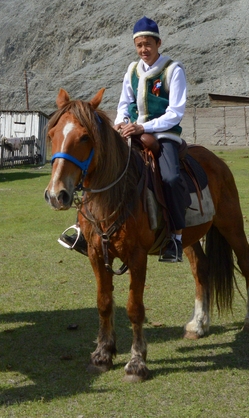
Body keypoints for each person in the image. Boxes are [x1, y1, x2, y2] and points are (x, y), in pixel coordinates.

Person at [59, 16, 188, 262]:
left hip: (164, 134)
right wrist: (122, 123)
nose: (143, 50)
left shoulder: (173, 70)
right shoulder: (132, 70)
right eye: (139, 45)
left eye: (148, 44)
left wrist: (143, 127)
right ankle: (82, 229)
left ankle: (175, 237)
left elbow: (175, 112)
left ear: (158, 43)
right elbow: (124, 103)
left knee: (170, 178)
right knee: (97, 166)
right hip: (132, 131)